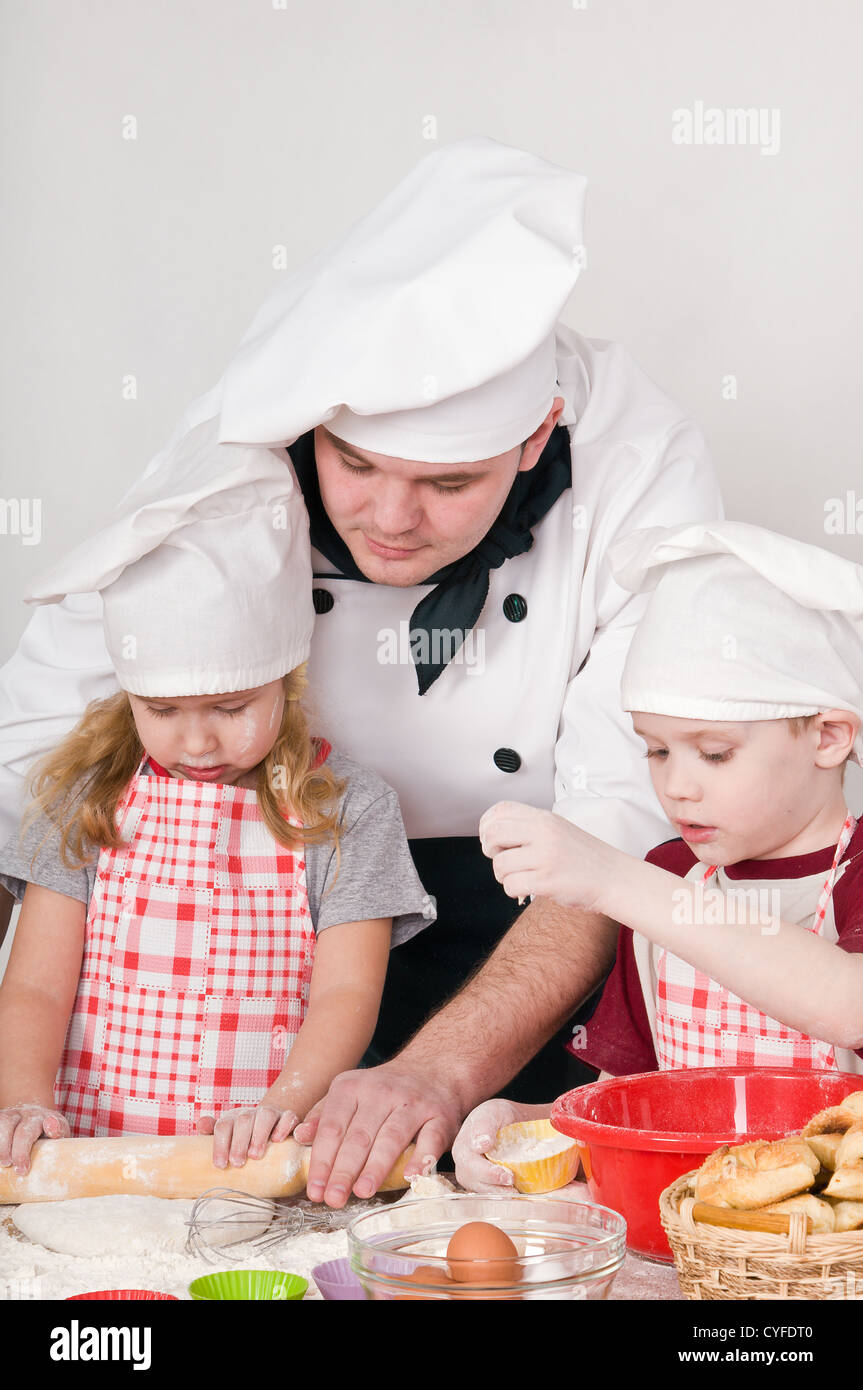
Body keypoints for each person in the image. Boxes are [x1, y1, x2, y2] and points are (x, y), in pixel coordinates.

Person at [0, 138, 723, 1200]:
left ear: (535, 439)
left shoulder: (642, 461)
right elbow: (38, 755)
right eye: (355, 465)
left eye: (447, 482)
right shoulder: (242, 428)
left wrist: (433, 1071)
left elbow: (622, 828)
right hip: (255, 948)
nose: (388, 520)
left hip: (526, 917)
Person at [0, 435, 435, 1175]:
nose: (196, 741)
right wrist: (22, 1099)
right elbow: (37, 984)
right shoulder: (82, 796)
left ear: (286, 682)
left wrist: (287, 1103)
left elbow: (346, 991)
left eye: (231, 706)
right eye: (161, 709)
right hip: (87, 1158)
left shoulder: (349, 809)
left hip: (257, 1158)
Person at [455, 521, 863, 1190]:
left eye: (714, 753)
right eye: (656, 749)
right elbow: (627, 1108)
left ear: (826, 738)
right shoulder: (668, 872)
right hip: (691, 1238)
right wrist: (526, 1126)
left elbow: (846, 1004)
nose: (676, 785)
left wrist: (615, 878)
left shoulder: (845, 872)